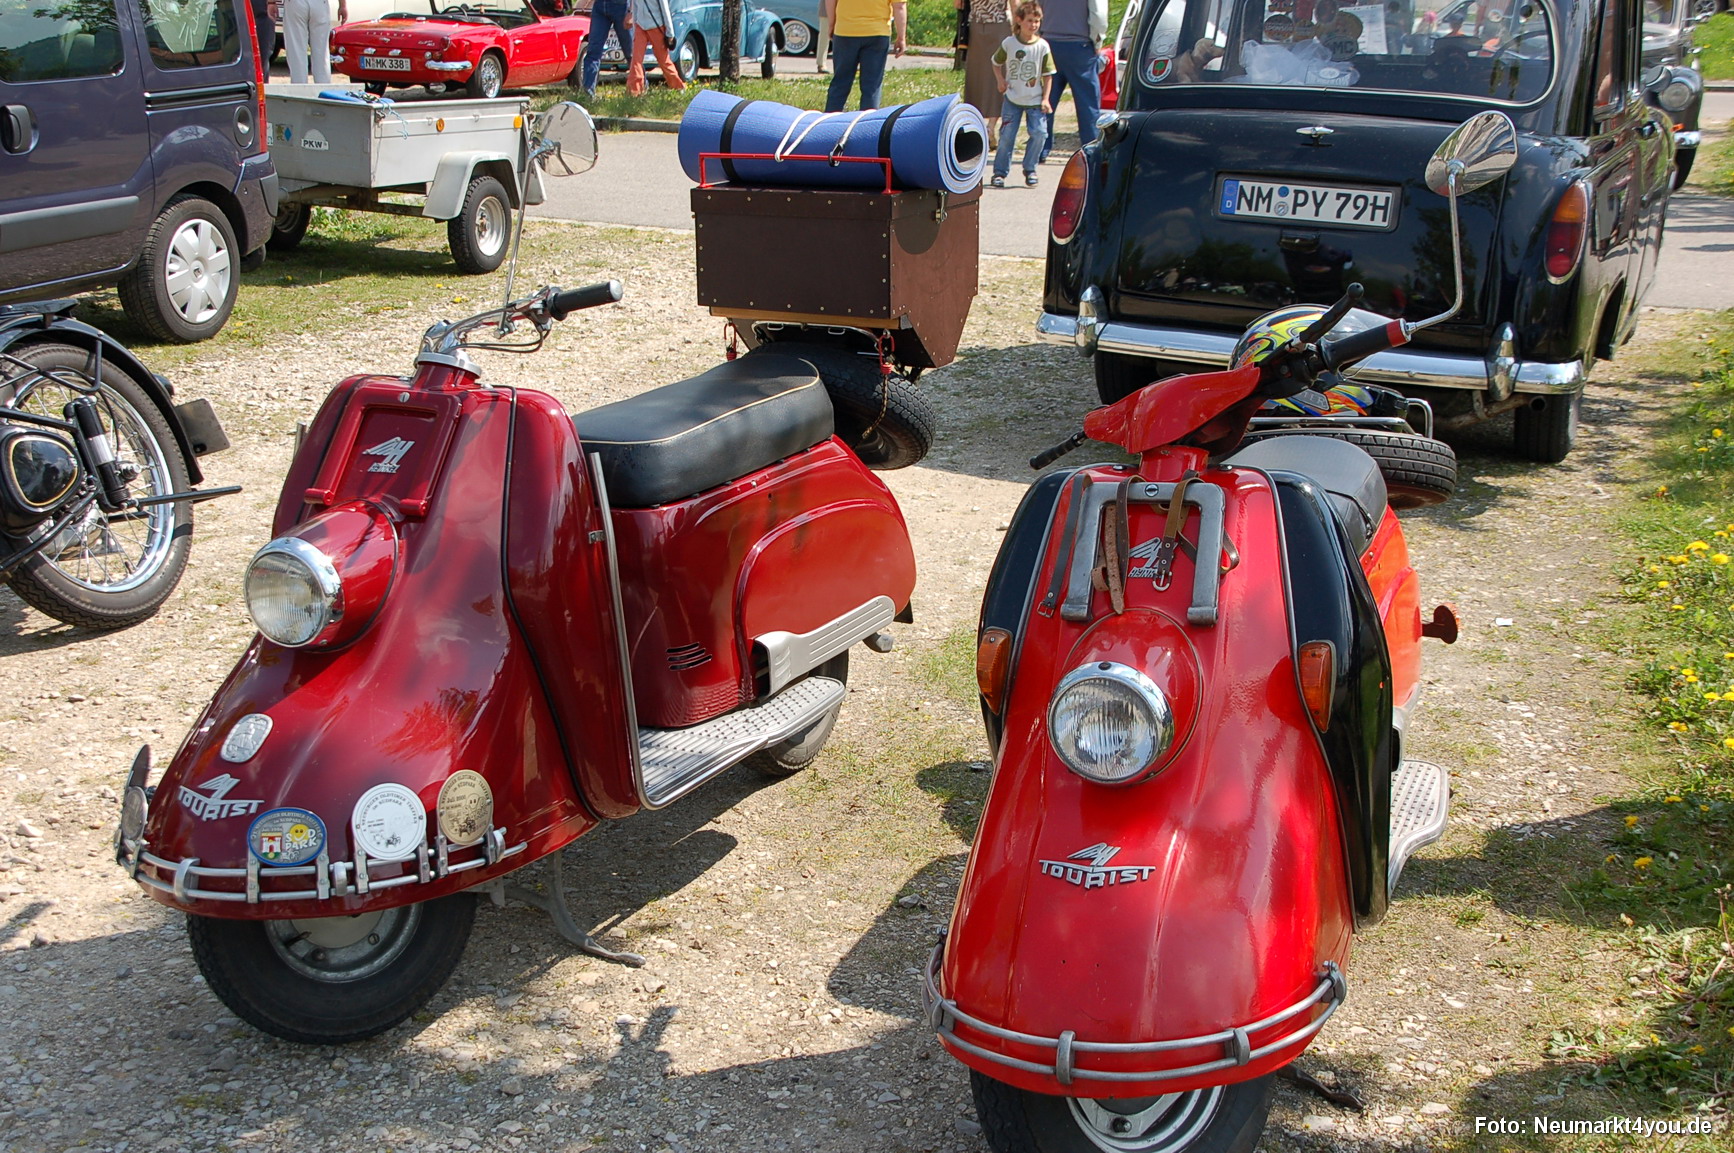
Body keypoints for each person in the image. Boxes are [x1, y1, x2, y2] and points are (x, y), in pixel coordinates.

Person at [989, 0, 1054, 188]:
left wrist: (1045, 98)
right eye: (1030, 21)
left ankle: (1030, 168)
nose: (1033, 25)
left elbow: (1048, 75)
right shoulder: (1009, 44)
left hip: (1034, 100)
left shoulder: (1042, 46)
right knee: (1007, 135)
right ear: (1019, 20)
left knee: (1040, 133)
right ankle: (1000, 172)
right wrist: (1001, 80)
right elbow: (995, 62)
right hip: (1013, 98)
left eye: (1037, 21)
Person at [1036, 0, 1105, 159]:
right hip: (1080, 45)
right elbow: (1098, 14)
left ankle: (1039, 149)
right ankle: (1091, 151)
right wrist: (1097, 40)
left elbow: (1037, 5)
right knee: (1088, 104)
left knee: (1046, 100)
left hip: (1049, 41)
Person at [824, 0, 907, 112]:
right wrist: (901, 38)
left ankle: (830, 121)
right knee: (872, 85)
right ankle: (868, 124)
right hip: (877, 33)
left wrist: (831, 24)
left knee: (840, 81)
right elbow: (899, 6)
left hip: (846, 31)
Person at [959, 0, 1011, 149]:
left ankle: (975, 124)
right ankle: (991, 126)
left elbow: (958, 4)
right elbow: (1015, 4)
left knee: (976, 76)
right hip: (1000, 25)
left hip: (976, 24)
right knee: (998, 75)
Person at [273, 0, 346, 84]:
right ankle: (323, 88)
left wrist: (271, 3)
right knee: (322, 52)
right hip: (320, 4)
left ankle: (300, 87)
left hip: (296, 4)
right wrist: (342, 5)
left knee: (297, 51)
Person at [627, 0, 686, 93]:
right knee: (636, 60)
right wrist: (635, 32)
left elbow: (665, 10)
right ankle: (634, 91)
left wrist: (670, 33)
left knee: (663, 60)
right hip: (640, 27)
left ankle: (678, 87)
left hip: (656, 26)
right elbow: (635, 9)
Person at [580, 0, 635, 96]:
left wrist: (631, 12)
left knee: (630, 53)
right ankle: (587, 94)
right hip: (600, 6)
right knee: (593, 52)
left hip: (621, 6)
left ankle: (640, 89)